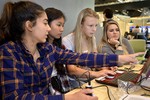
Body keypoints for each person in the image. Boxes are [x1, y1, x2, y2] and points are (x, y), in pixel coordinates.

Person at [0, 1, 137, 100]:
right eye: (45, 23)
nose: (48, 29)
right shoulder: (8, 52)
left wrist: (120, 58)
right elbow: (15, 97)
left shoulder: (46, 49)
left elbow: (80, 57)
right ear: (29, 25)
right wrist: (67, 98)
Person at [62, 8, 116, 89]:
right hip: (74, 82)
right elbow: (71, 70)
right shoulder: (67, 40)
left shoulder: (92, 38)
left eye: (96, 25)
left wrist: (105, 67)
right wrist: (96, 74)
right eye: (90, 26)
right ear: (81, 24)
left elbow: (94, 61)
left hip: (89, 78)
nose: (94, 29)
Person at [45, 8, 71, 93]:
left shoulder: (59, 46)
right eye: (58, 25)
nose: (62, 29)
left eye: (63, 25)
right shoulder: (40, 49)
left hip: (61, 87)